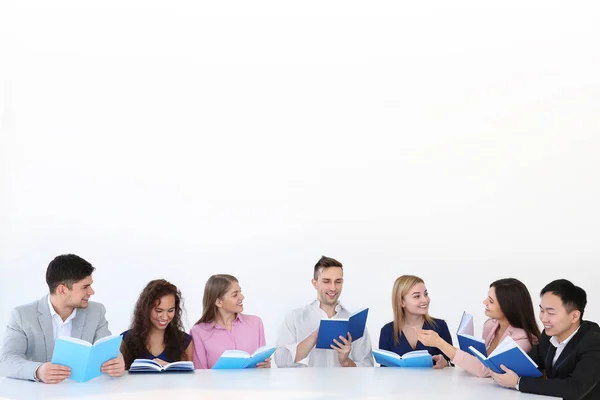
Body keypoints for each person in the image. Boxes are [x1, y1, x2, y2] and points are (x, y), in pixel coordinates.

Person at [0, 254, 125, 383]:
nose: (91, 292)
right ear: (62, 290)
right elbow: (6, 360)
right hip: (39, 393)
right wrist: (38, 370)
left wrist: (117, 362)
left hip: (83, 392)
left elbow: (108, 350)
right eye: (85, 287)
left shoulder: (96, 312)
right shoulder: (23, 315)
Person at [491, 279, 600, 400]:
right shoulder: (548, 335)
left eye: (551, 313)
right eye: (542, 310)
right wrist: (499, 367)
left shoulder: (594, 342)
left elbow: (575, 388)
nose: (543, 318)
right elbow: (529, 363)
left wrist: (518, 382)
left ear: (574, 316)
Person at [417, 278, 540, 377]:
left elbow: (487, 371)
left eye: (491, 301)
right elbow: (480, 361)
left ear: (508, 307)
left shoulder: (522, 339)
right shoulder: (490, 325)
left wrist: (440, 344)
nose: (484, 302)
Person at [274, 256, 374, 367]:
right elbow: (280, 361)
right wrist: (313, 338)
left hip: (343, 384)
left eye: (338, 282)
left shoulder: (355, 323)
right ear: (315, 283)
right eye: (326, 281)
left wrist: (345, 361)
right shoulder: (295, 318)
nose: (333, 288)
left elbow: (368, 367)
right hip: (305, 385)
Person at [190, 274, 270, 369]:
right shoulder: (198, 332)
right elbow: (200, 375)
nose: (242, 297)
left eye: (240, 292)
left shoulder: (255, 323)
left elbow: (263, 366)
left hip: (252, 383)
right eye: (235, 295)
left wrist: (265, 366)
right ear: (219, 302)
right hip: (215, 384)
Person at [379, 275, 452, 368]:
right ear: (402, 302)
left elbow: (451, 363)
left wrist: (446, 363)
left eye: (426, 294)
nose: (425, 300)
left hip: (433, 382)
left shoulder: (439, 326)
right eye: (417, 296)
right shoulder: (387, 331)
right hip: (400, 382)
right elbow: (383, 371)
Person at [120, 279, 193, 369]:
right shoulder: (126, 340)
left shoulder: (185, 342)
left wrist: (171, 370)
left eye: (170, 310)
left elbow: (188, 380)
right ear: (146, 309)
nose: (165, 317)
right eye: (159, 311)